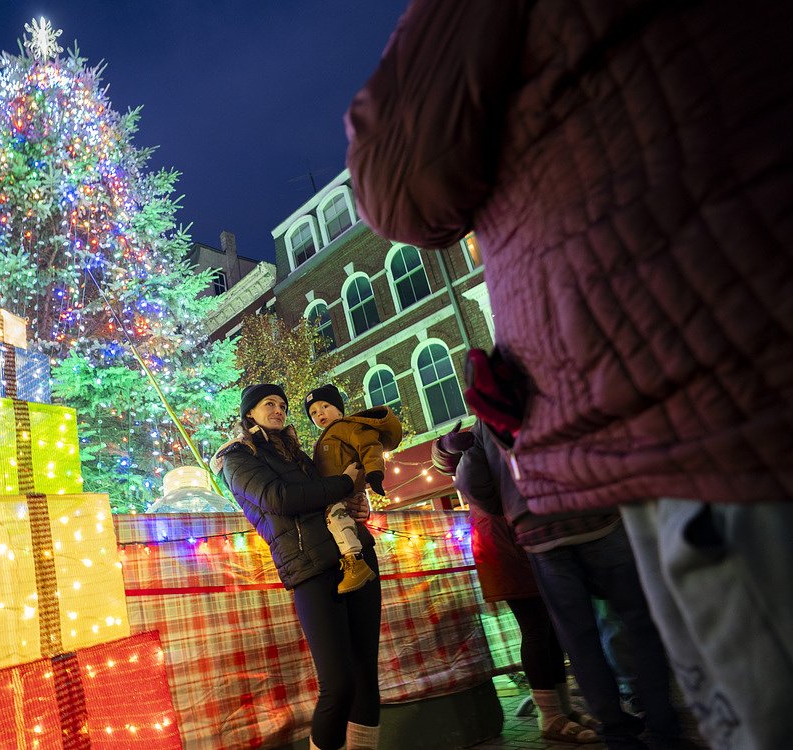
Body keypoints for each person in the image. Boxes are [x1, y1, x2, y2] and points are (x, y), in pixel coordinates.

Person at [345, 2, 793, 747]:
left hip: (681, 396)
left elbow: (398, 174)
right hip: (685, 388)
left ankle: (624, 722)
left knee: (749, 696)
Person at [436, 421, 685, 749]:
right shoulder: (560, 378)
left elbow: (470, 479)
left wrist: (514, 506)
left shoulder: (488, 408)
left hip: (539, 531)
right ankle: (661, 724)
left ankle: (616, 732)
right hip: (595, 513)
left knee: (578, 638)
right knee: (636, 621)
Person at [212, 384, 382, 750]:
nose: (278, 410)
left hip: (356, 554)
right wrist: (343, 483)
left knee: (366, 673)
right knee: (338, 684)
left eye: (283, 405)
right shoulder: (238, 458)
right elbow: (280, 499)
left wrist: (356, 499)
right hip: (311, 569)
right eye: (269, 404)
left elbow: (331, 495)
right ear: (250, 414)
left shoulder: (299, 455)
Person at [432, 426, 598, 744]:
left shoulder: (510, 424)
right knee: (536, 627)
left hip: (525, 536)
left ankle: (562, 709)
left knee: (548, 628)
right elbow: (447, 464)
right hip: (502, 542)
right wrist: (447, 445)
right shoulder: (482, 432)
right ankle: (549, 716)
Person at [303, 384, 402, 594]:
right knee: (338, 519)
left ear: (339, 409)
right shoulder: (323, 440)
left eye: (325, 406)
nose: (319, 413)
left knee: (336, 516)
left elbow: (369, 445)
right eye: (313, 412)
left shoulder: (347, 427)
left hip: (343, 491)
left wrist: (375, 472)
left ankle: (355, 562)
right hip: (335, 491)